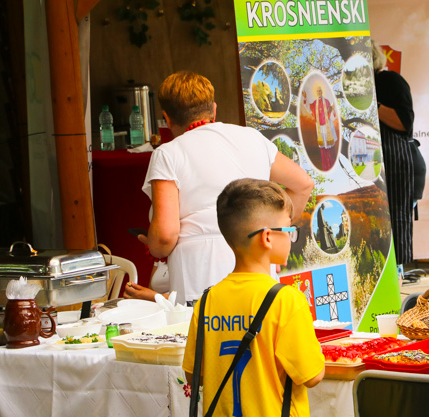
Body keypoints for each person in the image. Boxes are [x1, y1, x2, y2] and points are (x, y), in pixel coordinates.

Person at [182, 178, 326, 417]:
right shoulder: (285, 301)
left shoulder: (208, 300)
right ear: (267, 238)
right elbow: (311, 375)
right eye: (289, 228)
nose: (292, 237)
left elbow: (194, 376)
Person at [131, 71, 314, 306]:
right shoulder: (252, 138)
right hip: (255, 266)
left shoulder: (168, 153)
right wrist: (274, 228)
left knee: (207, 340)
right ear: (214, 109)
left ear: (167, 119)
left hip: (199, 275)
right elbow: (303, 185)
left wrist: (153, 246)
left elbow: (165, 236)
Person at [371, 40, 417, 270]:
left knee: (395, 216)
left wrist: (371, 104)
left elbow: (404, 122)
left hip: (394, 159)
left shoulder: (390, 81)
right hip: (369, 159)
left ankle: (395, 270)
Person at [301, 84, 338, 171]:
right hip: (320, 128)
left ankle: (332, 164)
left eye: (320, 90)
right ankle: (325, 164)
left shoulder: (327, 101)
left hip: (327, 126)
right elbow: (308, 108)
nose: (319, 92)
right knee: (323, 148)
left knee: (330, 147)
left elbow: (332, 112)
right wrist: (305, 98)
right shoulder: (315, 103)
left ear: (322, 91)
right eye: (317, 91)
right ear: (316, 93)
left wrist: (332, 109)